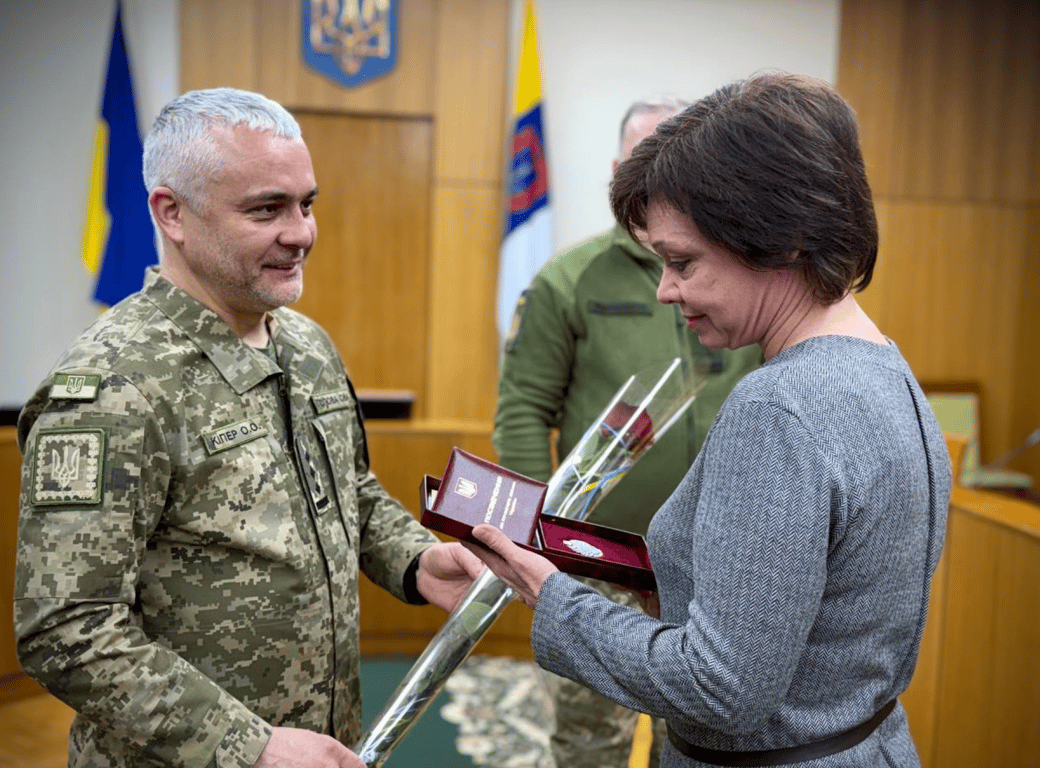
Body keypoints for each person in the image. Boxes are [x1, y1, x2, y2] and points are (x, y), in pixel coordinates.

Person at [465, 72, 952, 767]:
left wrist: (552, 596)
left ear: (780, 239)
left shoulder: (778, 406)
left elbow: (719, 689)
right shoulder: (885, 370)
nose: (666, 289)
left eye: (682, 262)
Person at [13, 87, 482, 768]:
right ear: (172, 213)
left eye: (306, 204)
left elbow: (349, 490)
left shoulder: (308, 346)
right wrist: (248, 746)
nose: (301, 233)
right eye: (267, 209)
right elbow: (67, 630)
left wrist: (417, 559)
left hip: (326, 744)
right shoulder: (115, 385)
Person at [495, 96, 760, 768]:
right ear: (619, 172)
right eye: (649, 163)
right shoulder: (569, 279)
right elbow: (524, 409)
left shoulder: (743, 278)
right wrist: (542, 534)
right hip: (600, 562)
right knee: (593, 745)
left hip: (714, 563)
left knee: (708, 739)